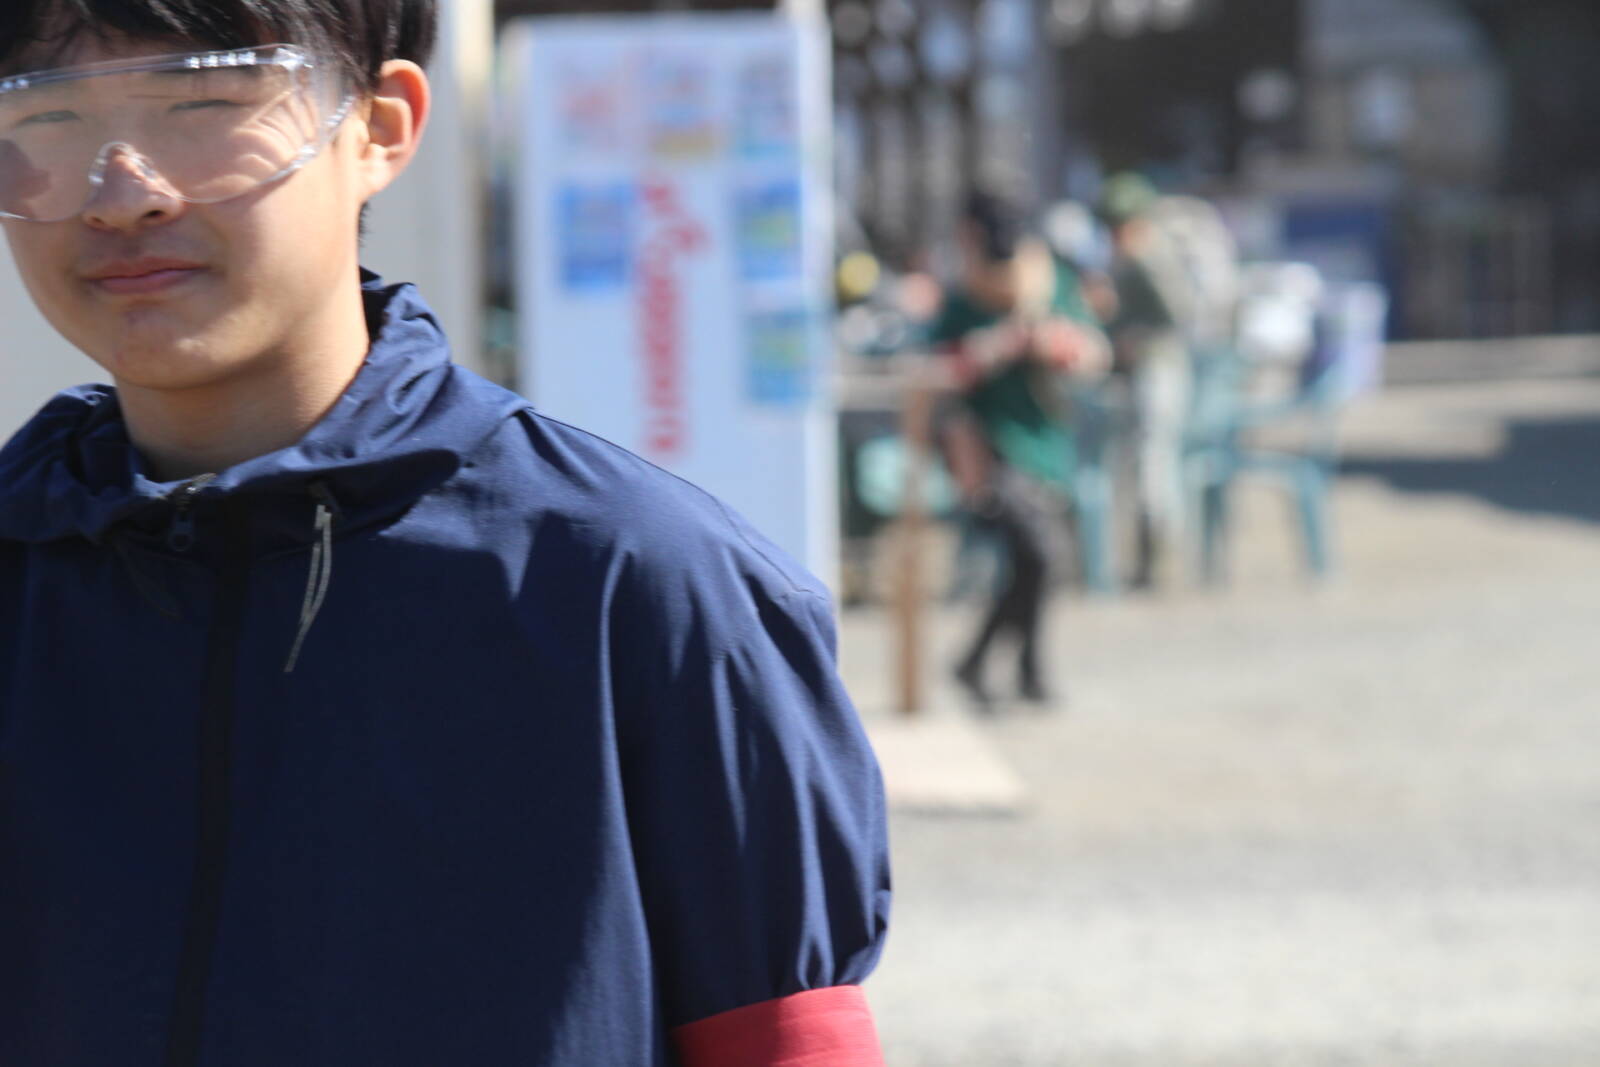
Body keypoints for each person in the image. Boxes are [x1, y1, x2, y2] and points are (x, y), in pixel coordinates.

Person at [0, 3, 891, 1065]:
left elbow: (781, 1038)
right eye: (45, 116)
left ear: (380, 127)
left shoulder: (636, 581)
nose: (121, 191)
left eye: (203, 104)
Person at [928, 190, 1110, 711]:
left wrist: (1057, 344)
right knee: (1041, 553)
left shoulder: (1052, 284)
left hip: (1043, 439)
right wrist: (992, 349)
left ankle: (998, 665)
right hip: (988, 448)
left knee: (1035, 563)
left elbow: (1094, 351)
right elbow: (937, 370)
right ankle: (1019, 669)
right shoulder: (963, 298)